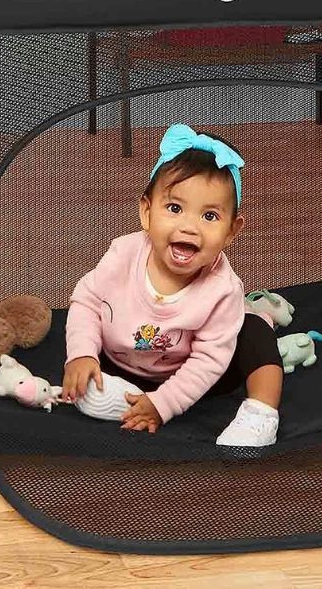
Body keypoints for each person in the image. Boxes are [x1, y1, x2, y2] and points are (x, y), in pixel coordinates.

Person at [62, 123, 283, 446]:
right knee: (83, 368)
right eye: (175, 208)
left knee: (254, 333)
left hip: (197, 374)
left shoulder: (222, 289)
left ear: (232, 232)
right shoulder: (123, 254)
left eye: (209, 216)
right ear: (147, 213)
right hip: (121, 362)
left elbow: (208, 362)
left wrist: (163, 405)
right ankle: (121, 394)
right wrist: (82, 356)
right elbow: (86, 301)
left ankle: (260, 413)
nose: (189, 227)